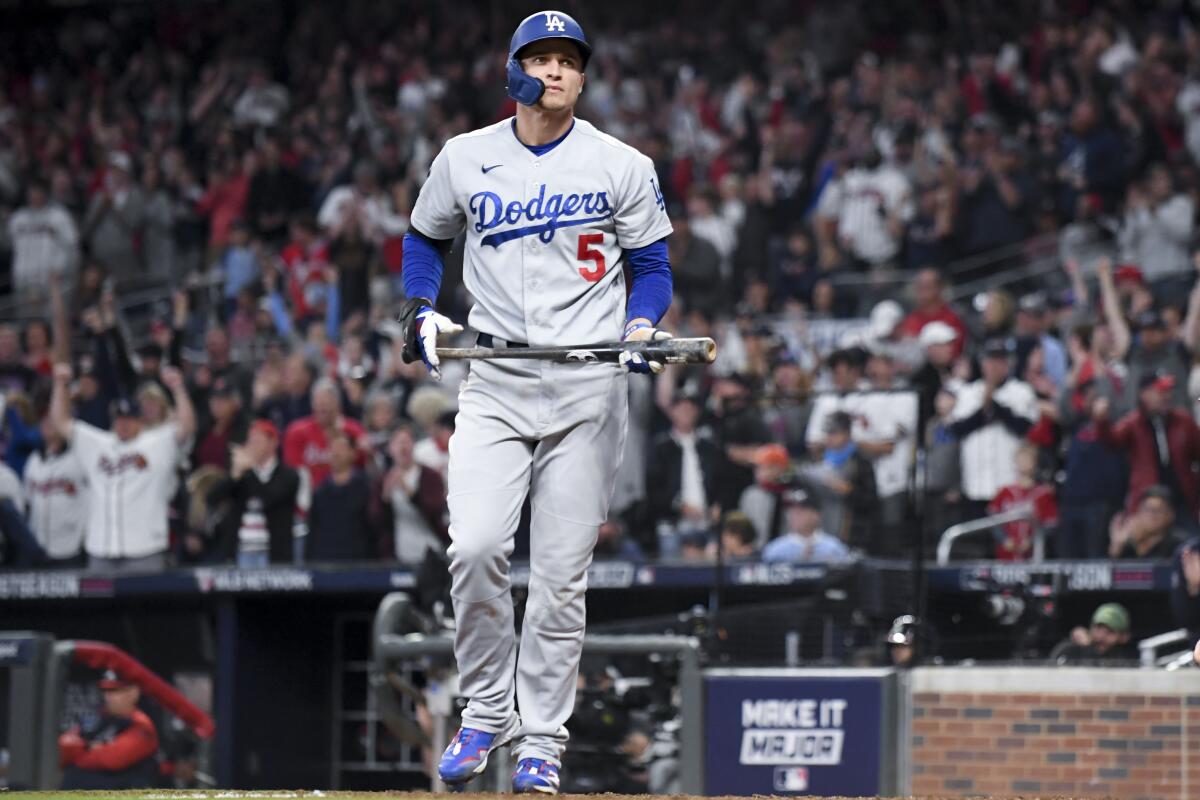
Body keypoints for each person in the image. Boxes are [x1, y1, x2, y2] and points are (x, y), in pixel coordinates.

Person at [397, 11, 675, 793]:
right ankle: (486, 710)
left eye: (568, 61)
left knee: (559, 578)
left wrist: (641, 324)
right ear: (513, 70)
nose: (554, 71)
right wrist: (420, 310)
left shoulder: (621, 162)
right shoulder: (464, 157)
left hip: (589, 383)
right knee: (477, 546)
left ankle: (542, 740)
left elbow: (651, 265)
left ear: (583, 79)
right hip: (495, 380)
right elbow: (424, 239)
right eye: (540, 58)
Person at [49, 364, 195, 572]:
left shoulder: (156, 442)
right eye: (119, 419)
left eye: (129, 419)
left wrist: (178, 388)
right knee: (100, 606)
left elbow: (187, 427)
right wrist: (60, 385)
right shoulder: (97, 443)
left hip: (145, 550)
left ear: (139, 421)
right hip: (101, 550)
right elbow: (60, 421)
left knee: (146, 604)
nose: (124, 424)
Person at [947, 338, 1038, 520]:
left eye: (1000, 360)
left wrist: (993, 405)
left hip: (1010, 484)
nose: (995, 366)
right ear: (982, 363)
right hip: (975, 485)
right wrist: (984, 409)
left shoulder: (1021, 391)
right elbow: (957, 429)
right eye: (990, 360)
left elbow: (1024, 428)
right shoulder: (968, 392)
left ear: (1009, 363)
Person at [1094, 373, 1200, 524]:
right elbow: (1111, 441)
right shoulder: (1134, 423)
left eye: (1168, 391)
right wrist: (1102, 421)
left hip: (1183, 500)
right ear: (1144, 394)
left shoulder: (1183, 421)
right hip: (1148, 503)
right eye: (1160, 391)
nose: (1166, 396)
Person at [209, 419, 301, 567]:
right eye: (250, 441)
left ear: (273, 443)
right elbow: (212, 498)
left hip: (273, 555)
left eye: (257, 440)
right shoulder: (243, 475)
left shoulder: (289, 475)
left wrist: (250, 469)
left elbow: (269, 498)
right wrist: (234, 475)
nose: (251, 446)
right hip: (241, 552)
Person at [59, 670, 159, 790]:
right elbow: (64, 746)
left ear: (134, 693)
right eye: (106, 691)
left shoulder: (141, 725)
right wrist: (90, 747)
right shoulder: (100, 718)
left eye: (115, 691)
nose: (108, 697)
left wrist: (80, 752)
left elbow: (111, 759)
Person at [23, 413, 88, 566]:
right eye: (45, 423)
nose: (49, 426)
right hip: (39, 548)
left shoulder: (79, 457)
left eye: (53, 422)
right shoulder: (34, 460)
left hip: (71, 548)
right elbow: (28, 499)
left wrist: (83, 536)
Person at [306, 430, 374, 562]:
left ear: (353, 453)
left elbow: (373, 529)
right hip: (325, 563)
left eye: (341, 448)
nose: (335, 453)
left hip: (359, 563)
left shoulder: (366, 488)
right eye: (332, 448)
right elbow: (313, 531)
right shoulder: (320, 492)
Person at [761, 489, 850, 563]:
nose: (793, 516)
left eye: (800, 512)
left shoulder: (834, 548)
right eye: (791, 511)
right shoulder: (775, 550)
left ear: (816, 515)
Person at [1108, 485, 1187, 560]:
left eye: (1157, 511)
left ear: (1170, 515)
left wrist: (1140, 545)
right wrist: (1117, 545)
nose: (1151, 516)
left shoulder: (1179, 544)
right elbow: (1116, 570)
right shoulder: (1128, 544)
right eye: (1146, 509)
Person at [1048, 603, 1136, 664]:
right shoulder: (1070, 650)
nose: (1101, 636)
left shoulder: (1127, 659)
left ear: (1123, 637)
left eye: (1110, 631)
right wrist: (1087, 648)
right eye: (1098, 628)